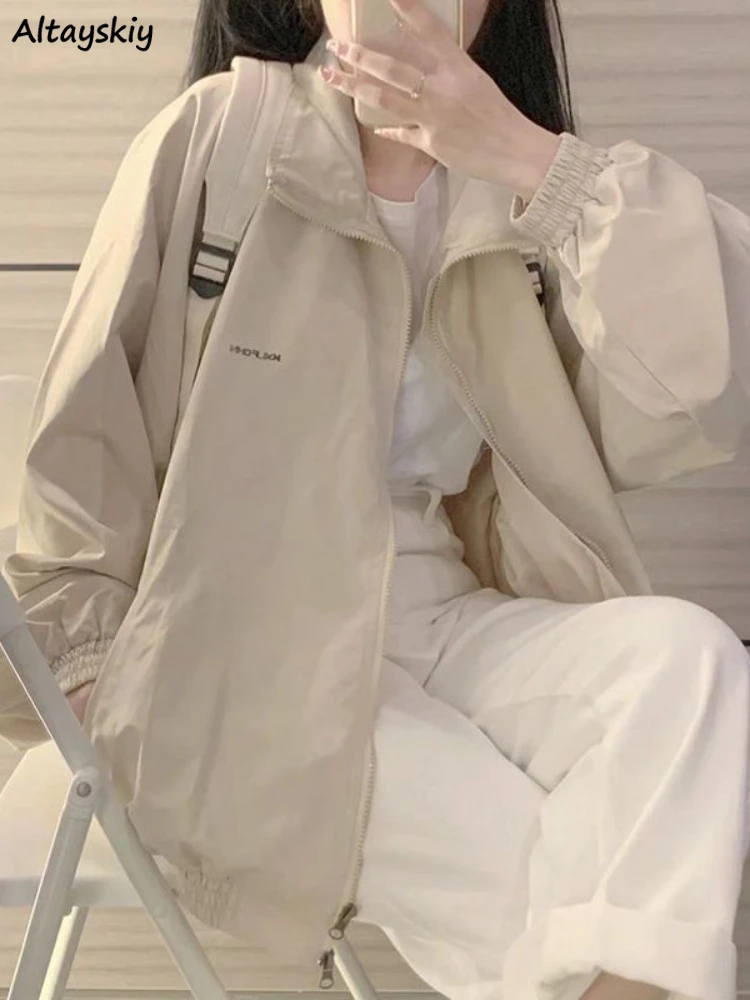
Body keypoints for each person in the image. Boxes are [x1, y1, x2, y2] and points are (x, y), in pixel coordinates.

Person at [2, 0, 750, 998]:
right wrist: (94, 666)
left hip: (443, 612)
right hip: (241, 647)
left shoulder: (512, 196)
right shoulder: (222, 136)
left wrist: (532, 160)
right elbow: (81, 436)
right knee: (555, 880)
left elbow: (707, 379)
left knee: (688, 662)